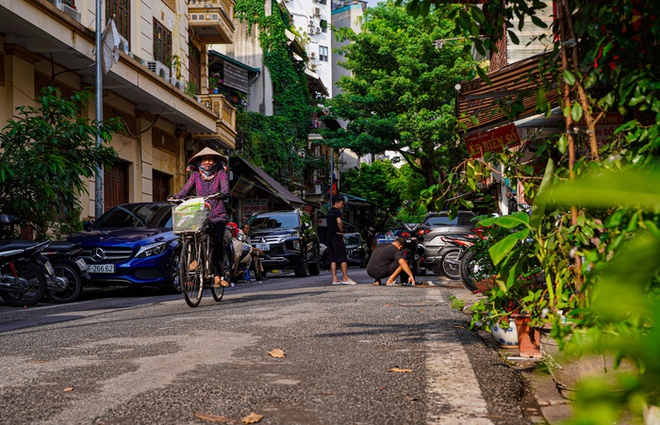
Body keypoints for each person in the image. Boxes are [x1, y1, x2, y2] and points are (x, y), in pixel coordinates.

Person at [171, 147, 230, 288]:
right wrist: (176, 197)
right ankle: (194, 259)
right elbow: (186, 189)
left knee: (217, 241)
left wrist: (223, 193)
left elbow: (225, 188)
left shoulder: (220, 173)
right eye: (204, 160)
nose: (207, 162)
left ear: (215, 161)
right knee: (191, 235)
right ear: (200, 162)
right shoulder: (196, 175)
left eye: (210, 159)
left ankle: (218, 275)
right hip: (200, 213)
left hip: (217, 214)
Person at [326, 194, 356, 285]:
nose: (343, 206)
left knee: (333, 259)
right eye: (342, 204)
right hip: (337, 237)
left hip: (330, 238)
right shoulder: (337, 212)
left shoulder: (329, 213)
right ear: (337, 203)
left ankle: (335, 278)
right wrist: (341, 230)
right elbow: (339, 221)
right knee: (342, 257)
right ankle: (345, 277)